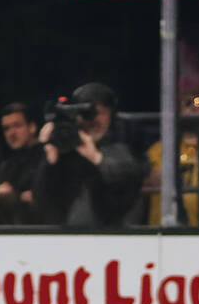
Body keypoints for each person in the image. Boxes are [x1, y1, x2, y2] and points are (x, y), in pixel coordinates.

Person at [34, 81, 144, 228]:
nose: (93, 119)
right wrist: (50, 160)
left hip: (114, 238)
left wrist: (95, 157)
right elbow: (42, 202)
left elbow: (130, 178)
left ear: (111, 115)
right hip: (67, 237)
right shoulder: (65, 155)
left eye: (100, 113)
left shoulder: (122, 150)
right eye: (86, 114)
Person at [142, 92, 199, 227]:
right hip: (166, 229)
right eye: (187, 103)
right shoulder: (158, 150)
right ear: (179, 111)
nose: (194, 107)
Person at [0, 102, 42, 226]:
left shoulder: (47, 159)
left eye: (17, 126)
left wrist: (14, 196)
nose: (11, 133)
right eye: (6, 128)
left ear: (32, 127)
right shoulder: (7, 166)